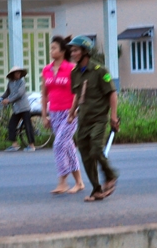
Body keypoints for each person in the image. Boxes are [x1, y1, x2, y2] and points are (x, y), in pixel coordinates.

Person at [67, 35, 120, 202]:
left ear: (85, 52)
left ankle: (110, 176)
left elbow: (112, 93)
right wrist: (72, 111)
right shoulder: (75, 73)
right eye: (72, 50)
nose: (72, 53)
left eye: (75, 50)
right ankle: (96, 190)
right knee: (85, 155)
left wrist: (113, 117)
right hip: (83, 120)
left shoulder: (100, 71)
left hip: (98, 119)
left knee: (96, 150)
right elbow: (77, 94)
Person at [41, 35, 85, 194]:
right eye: (50, 47)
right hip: (54, 114)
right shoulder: (46, 70)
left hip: (69, 113)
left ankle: (62, 182)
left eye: (54, 47)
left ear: (62, 50)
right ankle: (79, 182)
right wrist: (44, 115)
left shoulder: (71, 68)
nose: (51, 50)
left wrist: (73, 112)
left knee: (59, 144)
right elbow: (44, 94)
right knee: (68, 148)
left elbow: (77, 93)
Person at [1, 66, 36, 152]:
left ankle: (31, 145)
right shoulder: (10, 83)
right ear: (13, 74)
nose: (18, 74)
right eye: (16, 73)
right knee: (11, 125)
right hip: (16, 109)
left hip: (24, 107)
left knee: (28, 126)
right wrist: (0, 98)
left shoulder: (22, 81)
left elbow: (19, 94)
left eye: (19, 73)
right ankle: (15, 144)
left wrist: (9, 100)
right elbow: (7, 92)